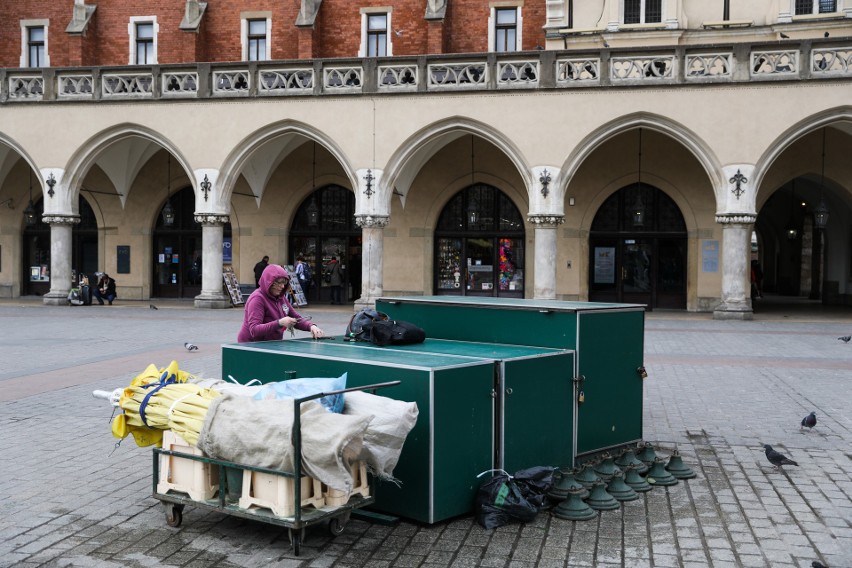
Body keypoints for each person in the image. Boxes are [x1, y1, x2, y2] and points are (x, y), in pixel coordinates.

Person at [237, 264, 324, 343]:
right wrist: (279, 323)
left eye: (284, 283)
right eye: (278, 283)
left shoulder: (281, 298)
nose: (282, 286)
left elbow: (296, 318)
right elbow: (255, 330)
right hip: (251, 345)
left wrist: (311, 327)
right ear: (269, 282)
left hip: (271, 344)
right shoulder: (257, 299)